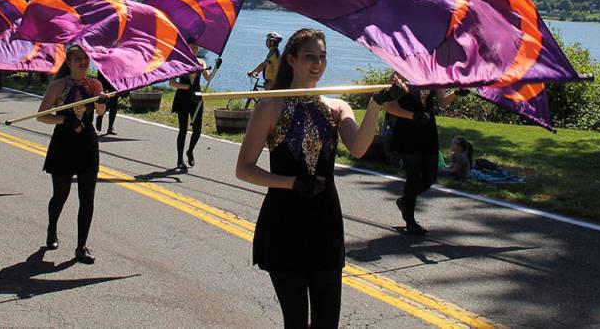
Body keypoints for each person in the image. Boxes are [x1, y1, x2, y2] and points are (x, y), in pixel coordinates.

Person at [235, 28, 391, 329]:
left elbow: (358, 148)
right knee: (295, 322)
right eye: (310, 57)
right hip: (283, 223)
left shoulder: (337, 107)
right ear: (291, 60)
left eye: (322, 57)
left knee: (327, 321)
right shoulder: (269, 106)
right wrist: (290, 183)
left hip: (325, 222)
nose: (317, 63)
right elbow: (244, 169)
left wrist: (375, 104)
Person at [37, 45, 106, 265]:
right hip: (63, 143)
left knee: (87, 197)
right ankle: (51, 228)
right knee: (61, 195)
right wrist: (61, 120)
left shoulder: (95, 84)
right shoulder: (58, 85)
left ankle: (81, 246)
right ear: (68, 62)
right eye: (78, 58)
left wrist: (101, 102)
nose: (84, 61)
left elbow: (99, 113)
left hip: (87, 142)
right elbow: (42, 116)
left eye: (86, 58)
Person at [381, 76, 461, 236]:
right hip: (408, 131)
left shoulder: (432, 72)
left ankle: (405, 201)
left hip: (428, 130)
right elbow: (389, 106)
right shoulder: (400, 74)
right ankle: (410, 221)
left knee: (430, 177)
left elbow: (443, 101)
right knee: (413, 176)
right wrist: (413, 116)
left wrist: (458, 93)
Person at [170, 41, 220, 170]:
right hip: (183, 97)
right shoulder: (180, 61)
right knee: (183, 130)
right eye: (192, 46)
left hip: (196, 97)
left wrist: (216, 68)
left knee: (197, 130)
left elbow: (208, 79)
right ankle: (180, 160)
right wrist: (187, 86)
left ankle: (190, 151)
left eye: (197, 46)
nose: (195, 49)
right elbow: (172, 83)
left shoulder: (201, 62)